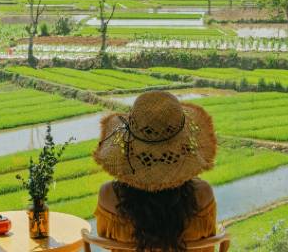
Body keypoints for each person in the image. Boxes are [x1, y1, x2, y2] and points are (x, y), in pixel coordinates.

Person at [93, 91, 218, 252]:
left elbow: (105, 242)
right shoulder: (203, 195)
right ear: (184, 145)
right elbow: (209, 243)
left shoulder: (109, 196)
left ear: (129, 145)